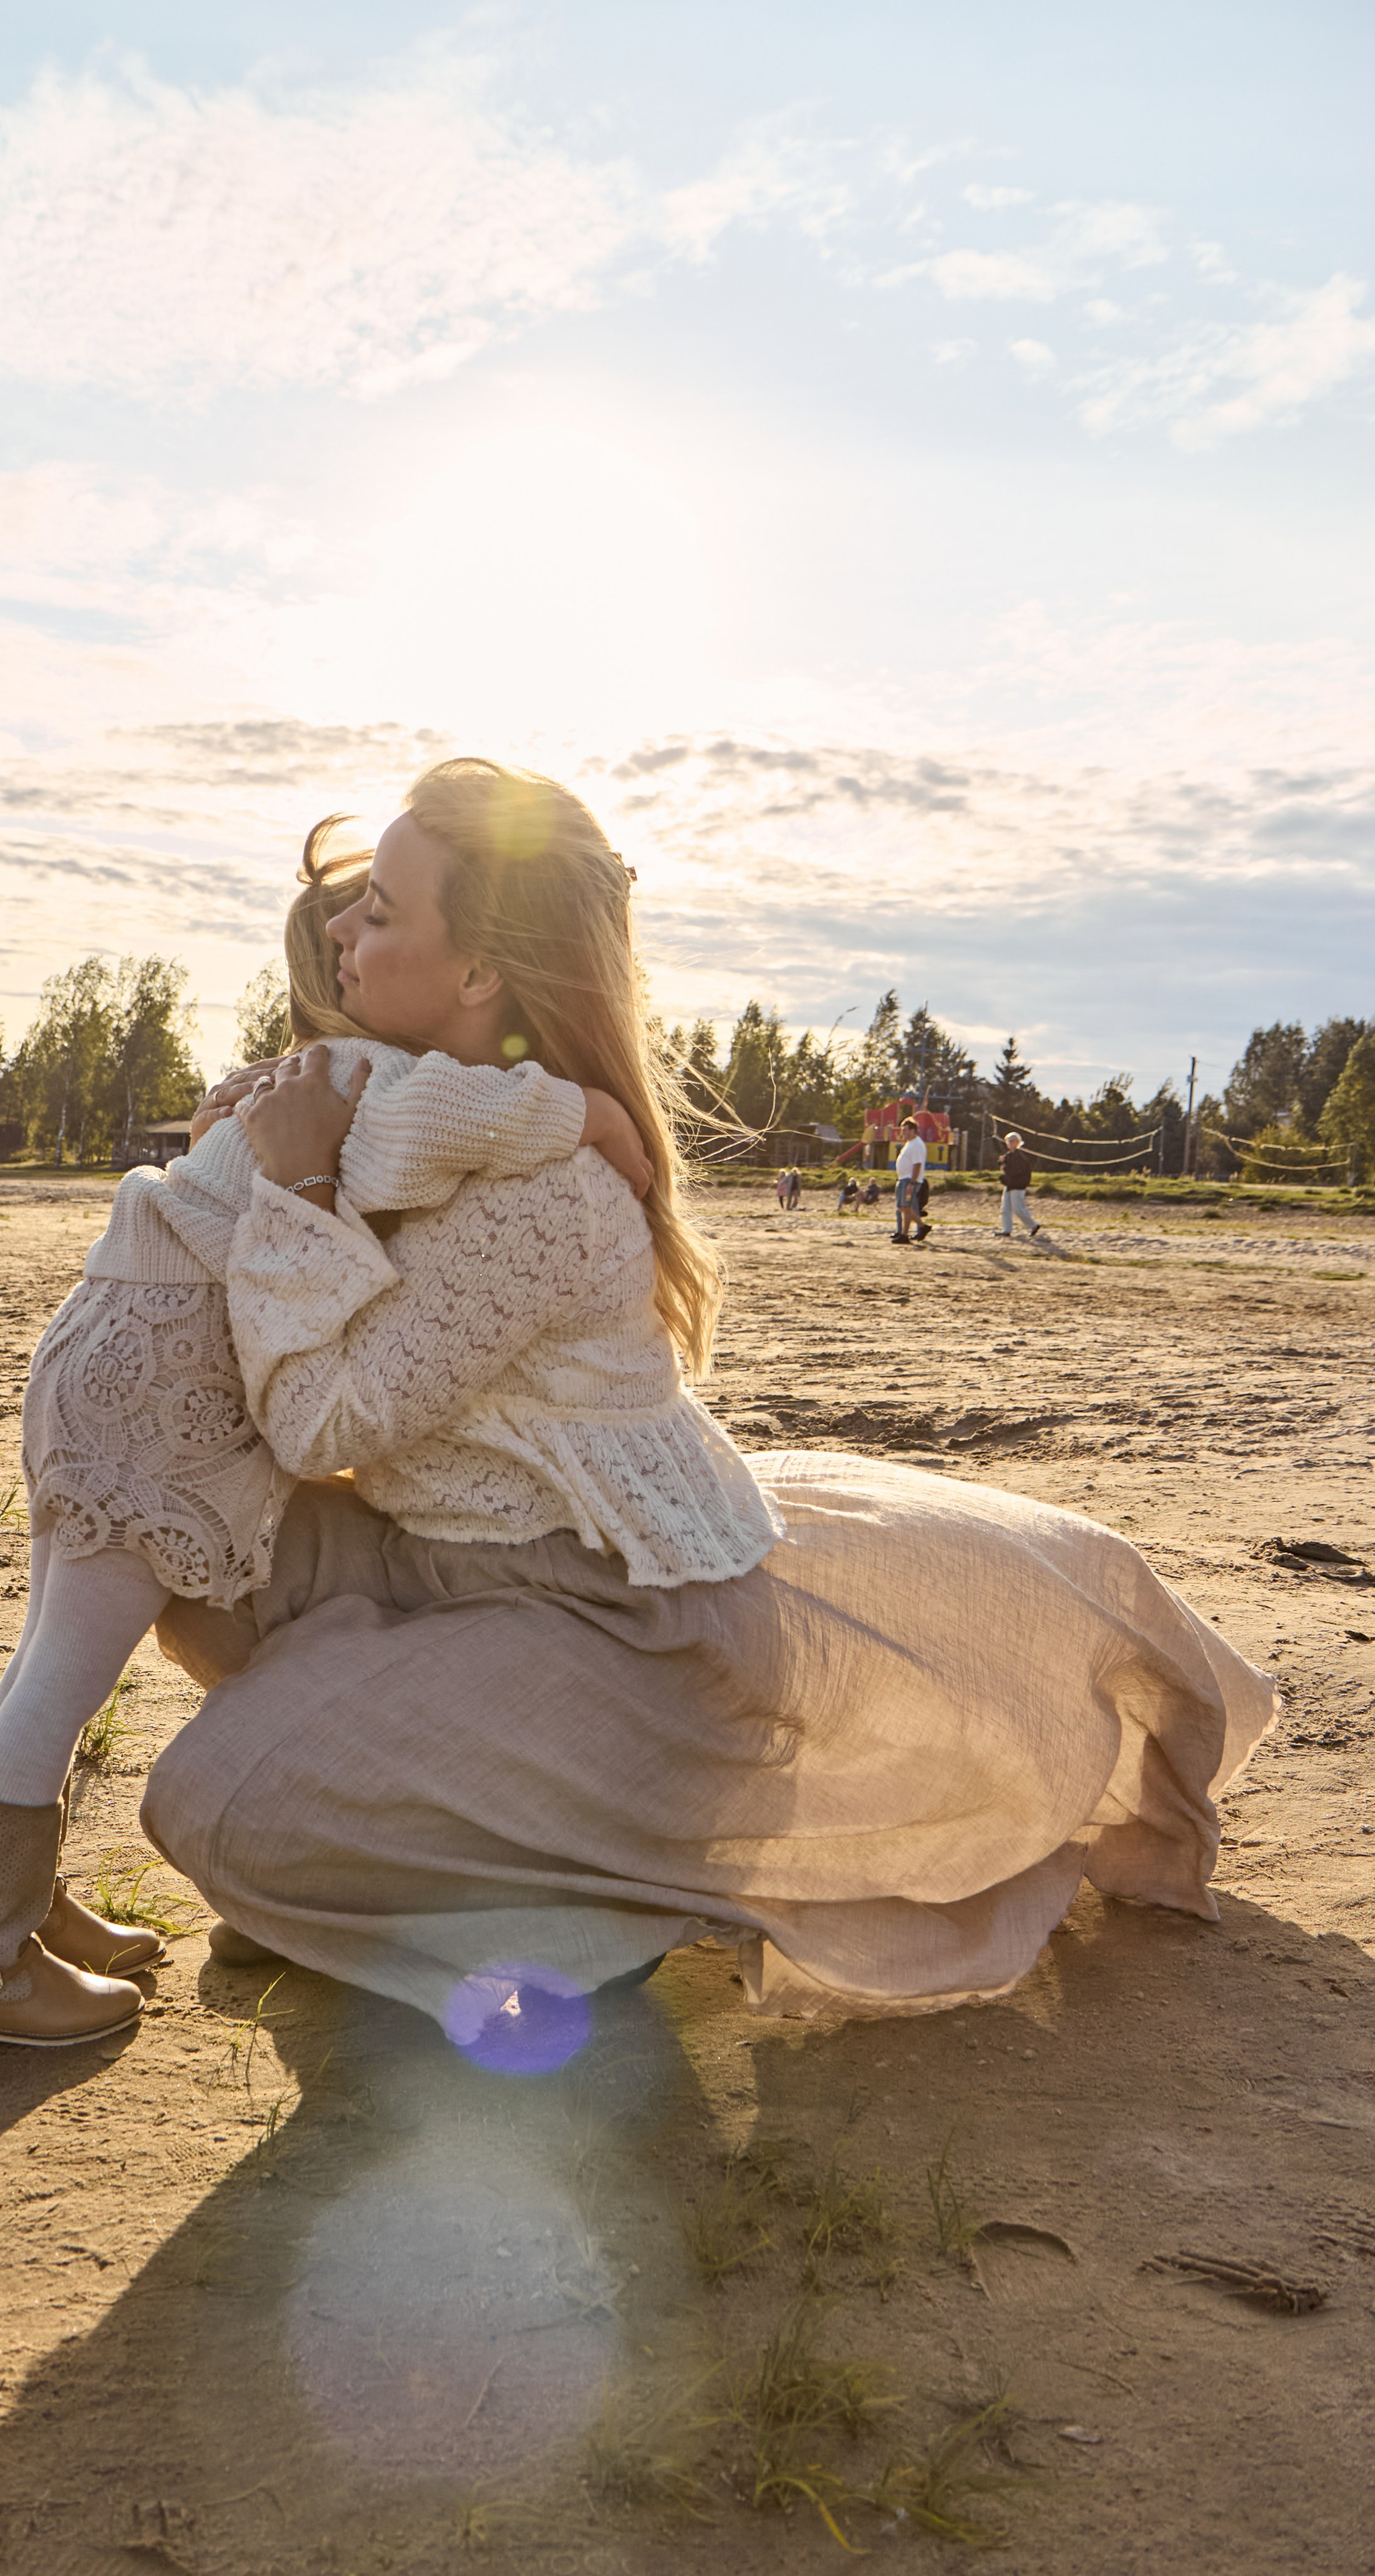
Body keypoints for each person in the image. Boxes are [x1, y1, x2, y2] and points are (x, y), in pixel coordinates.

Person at [138, 757, 1272, 2056]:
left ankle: (588, 1919)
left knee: (214, 1805)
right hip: (443, 1561)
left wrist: (296, 1195)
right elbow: (338, 1122)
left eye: (381, 911)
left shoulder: (543, 1197)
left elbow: (316, 1426)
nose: (342, 933)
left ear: (477, 978)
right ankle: (393, 1827)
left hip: (591, 1614)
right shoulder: (448, 1116)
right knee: (192, 1546)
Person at [0, 836, 655, 2052]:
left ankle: (21, 1908)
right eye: (356, 922)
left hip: (102, 1339)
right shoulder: (372, 1084)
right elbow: (484, 1108)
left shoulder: (319, 1078)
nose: (363, 937)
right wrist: (591, 1110)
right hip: (168, 1381)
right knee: (67, 1662)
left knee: (51, 1640)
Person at [996, 1131, 1044, 1239]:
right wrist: (1002, 1163)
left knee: (1018, 1209)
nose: (1009, 1143)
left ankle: (1033, 1226)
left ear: (1018, 1142)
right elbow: (1005, 1169)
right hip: (1010, 1185)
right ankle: (1006, 1230)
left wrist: (1004, 1168)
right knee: (1005, 1209)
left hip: (1018, 1185)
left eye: (1012, 1141)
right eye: (1008, 1141)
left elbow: (1014, 1171)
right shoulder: (1009, 1156)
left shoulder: (1020, 1156)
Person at [891, 1117, 930, 1245]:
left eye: (906, 1130)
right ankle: (921, 1227)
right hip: (904, 1179)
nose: (903, 1133)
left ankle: (905, 1234)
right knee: (903, 1207)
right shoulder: (910, 1143)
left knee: (906, 1206)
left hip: (909, 1180)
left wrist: (912, 1183)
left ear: (913, 1131)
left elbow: (917, 1165)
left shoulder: (917, 1144)